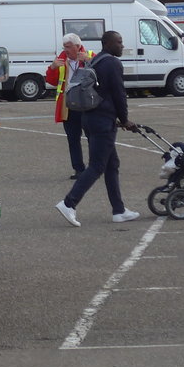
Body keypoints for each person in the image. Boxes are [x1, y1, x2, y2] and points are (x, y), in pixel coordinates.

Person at [55, 30, 140, 227]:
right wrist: (125, 119)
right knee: (97, 165)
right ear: (108, 43)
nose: (122, 45)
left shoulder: (97, 60)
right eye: (118, 42)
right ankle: (69, 203)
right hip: (103, 121)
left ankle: (118, 210)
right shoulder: (112, 63)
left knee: (112, 164)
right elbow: (119, 93)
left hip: (90, 117)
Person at [45, 32, 93, 180]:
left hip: (86, 104)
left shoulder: (90, 55)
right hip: (68, 105)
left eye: (69, 47)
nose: (66, 50)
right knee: (73, 138)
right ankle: (78, 169)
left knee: (92, 137)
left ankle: (95, 167)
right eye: (64, 47)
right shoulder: (61, 59)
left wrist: (90, 61)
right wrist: (52, 67)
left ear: (78, 47)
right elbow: (51, 81)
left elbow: (101, 74)